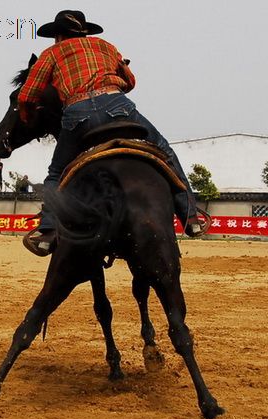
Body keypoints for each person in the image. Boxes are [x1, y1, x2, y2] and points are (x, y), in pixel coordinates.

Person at [18, 10, 204, 256]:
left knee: (56, 173)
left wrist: (26, 114)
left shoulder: (51, 53)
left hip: (77, 114)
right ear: (85, 31)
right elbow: (129, 82)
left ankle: (49, 230)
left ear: (58, 36)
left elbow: (27, 95)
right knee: (164, 150)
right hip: (117, 106)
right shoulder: (106, 46)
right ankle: (190, 216)